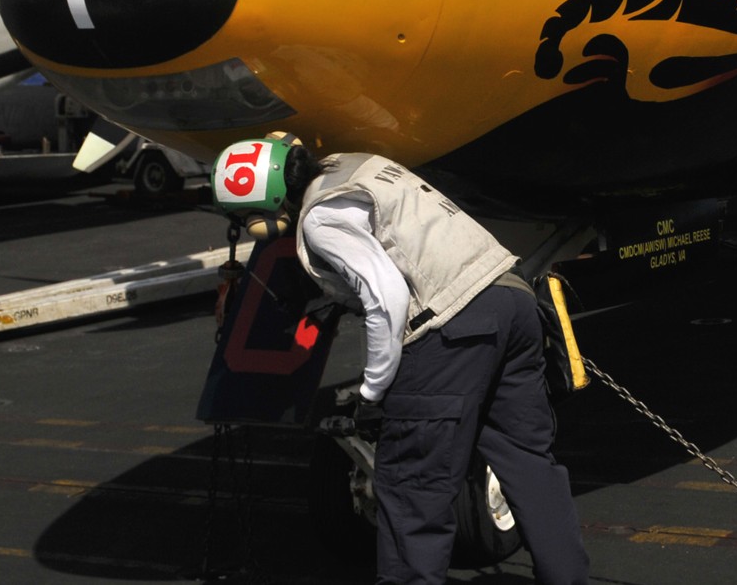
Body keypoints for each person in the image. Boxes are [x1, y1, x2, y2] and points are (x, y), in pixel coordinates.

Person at [209, 135, 590, 583]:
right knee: (529, 464)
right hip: (512, 302)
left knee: (413, 490)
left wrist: (373, 390)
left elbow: (386, 297)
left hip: (451, 331)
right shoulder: (353, 166)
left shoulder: (320, 219)